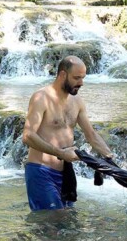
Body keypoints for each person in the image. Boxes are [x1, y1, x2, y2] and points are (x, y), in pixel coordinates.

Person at [22, 55, 114, 211]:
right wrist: (60, 153)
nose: (81, 83)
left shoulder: (77, 101)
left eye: (83, 78)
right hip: (41, 171)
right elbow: (28, 136)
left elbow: (91, 134)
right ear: (63, 74)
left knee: (67, 222)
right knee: (51, 222)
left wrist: (109, 157)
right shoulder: (41, 98)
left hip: (66, 174)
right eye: (77, 78)